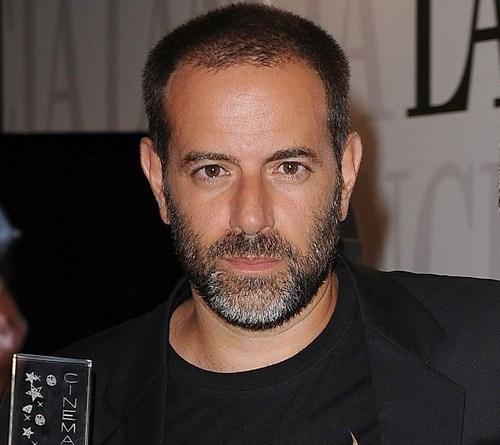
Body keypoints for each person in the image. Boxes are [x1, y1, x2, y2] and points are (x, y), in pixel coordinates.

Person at [2, 3, 500, 444]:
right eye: (212, 171)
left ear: (346, 174)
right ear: (158, 180)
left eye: (289, 168)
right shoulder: (58, 408)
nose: (252, 217)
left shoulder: (488, 343)